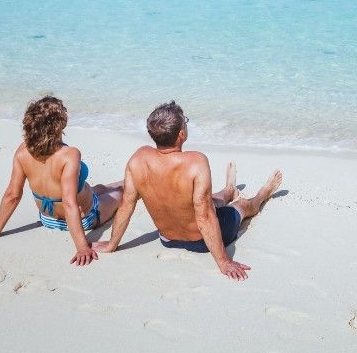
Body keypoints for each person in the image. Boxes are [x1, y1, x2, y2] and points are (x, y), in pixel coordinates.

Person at [94, 101, 282, 281]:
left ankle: (228, 190)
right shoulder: (196, 162)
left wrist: (112, 245)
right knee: (241, 205)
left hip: (167, 239)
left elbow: (127, 205)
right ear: (181, 134)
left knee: (209, 200)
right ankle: (261, 196)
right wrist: (224, 262)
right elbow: (205, 217)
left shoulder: (138, 159)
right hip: (201, 242)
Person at [0, 95, 124, 266]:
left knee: (98, 188)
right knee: (122, 193)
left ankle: (117, 183)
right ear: (61, 123)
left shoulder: (23, 151)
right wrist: (82, 247)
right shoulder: (69, 155)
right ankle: (126, 182)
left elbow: (12, 195)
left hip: (47, 218)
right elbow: (69, 203)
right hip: (85, 219)